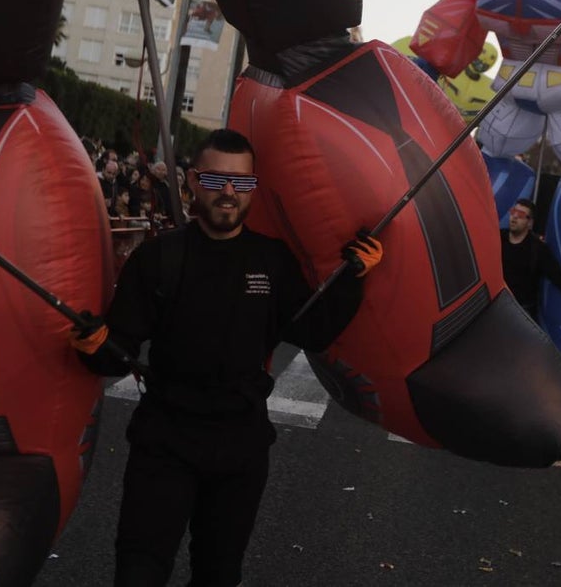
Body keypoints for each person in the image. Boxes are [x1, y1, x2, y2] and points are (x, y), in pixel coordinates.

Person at [70, 128, 384, 587]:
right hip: (165, 441)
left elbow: (311, 331)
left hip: (241, 445)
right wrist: (95, 347)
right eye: (216, 181)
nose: (230, 193)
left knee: (218, 574)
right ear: (194, 182)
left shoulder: (272, 260)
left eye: (243, 183)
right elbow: (119, 352)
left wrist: (354, 278)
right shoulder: (159, 257)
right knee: (140, 569)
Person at [500, 198, 561, 318]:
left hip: (521, 310)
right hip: (496, 303)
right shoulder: (498, 238)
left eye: (521, 214)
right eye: (513, 211)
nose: (515, 216)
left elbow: (557, 275)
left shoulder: (537, 248)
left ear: (530, 222)